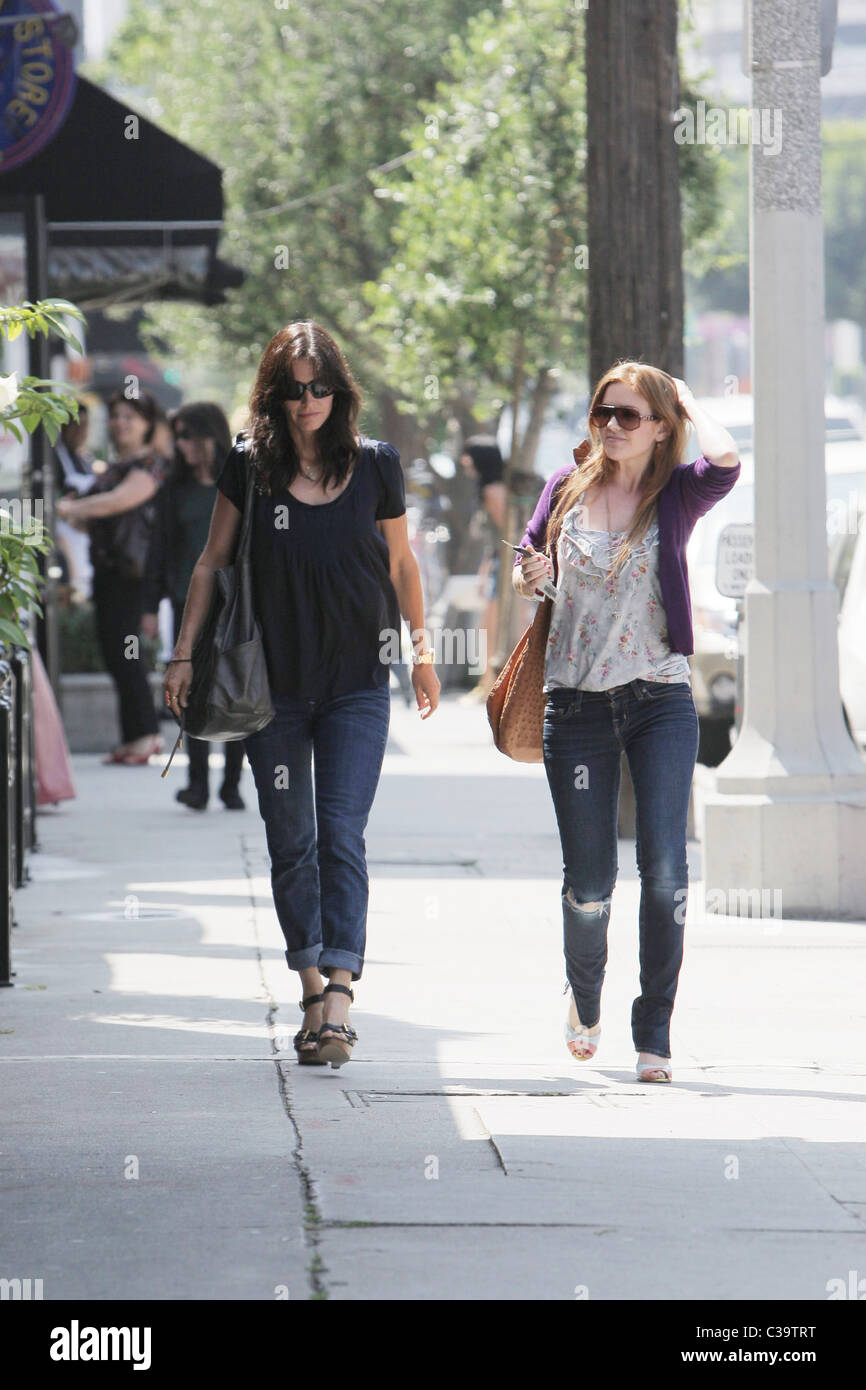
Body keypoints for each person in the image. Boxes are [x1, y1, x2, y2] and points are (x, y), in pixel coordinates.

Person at [162, 321, 440, 1068]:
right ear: (274, 394)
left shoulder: (376, 464)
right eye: (293, 387)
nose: (308, 399)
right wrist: (183, 652)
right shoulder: (250, 466)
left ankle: (341, 999)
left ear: (339, 391)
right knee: (294, 842)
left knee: (341, 833)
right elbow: (210, 563)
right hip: (272, 691)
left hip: (356, 683)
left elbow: (402, 563)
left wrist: (421, 649)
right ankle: (312, 989)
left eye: (321, 386)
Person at [513, 362, 740, 1083]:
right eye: (603, 413)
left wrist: (690, 396)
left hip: (659, 701)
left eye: (630, 416)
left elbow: (728, 459)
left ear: (662, 427)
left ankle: (655, 1031)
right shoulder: (565, 486)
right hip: (575, 704)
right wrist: (530, 574)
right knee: (589, 881)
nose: (612, 426)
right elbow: (529, 554)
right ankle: (585, 998)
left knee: (666, 869)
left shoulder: (676, 493)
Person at [141, 402, 246, 811]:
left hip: (234, 600)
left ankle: (232, 785)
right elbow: (158, 550)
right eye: (178, 436)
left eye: (187, 436)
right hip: (188, 604)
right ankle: (198, 783)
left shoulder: (236, 480)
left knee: (235, 690)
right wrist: (149, 606)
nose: (181, 445)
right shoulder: (174, 487)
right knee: (192, 692)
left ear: (208, 435)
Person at [56, 390, 167, 765]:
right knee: (116, 653)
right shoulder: (116, 464)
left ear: (147, 424)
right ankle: (134, 736)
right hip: (109, 573)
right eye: (116, 416)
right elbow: (99, 514)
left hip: (132, 576)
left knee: (127, 653)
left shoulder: (149, 464)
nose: (120, 424)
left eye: (129, 417)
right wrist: (80, 513)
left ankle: (146, 735)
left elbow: (118, 502)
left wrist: (71, 506)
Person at [458, 435, 507, 697]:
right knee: (488, 627)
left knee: (493, 627)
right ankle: (488, 682)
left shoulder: (493, 491)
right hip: (498, 562)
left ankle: (492, 685)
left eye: (469, 454)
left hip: (507, 564)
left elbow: (508, 534)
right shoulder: (489, 488)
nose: (465, 460)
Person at [53, 401, 97, 601]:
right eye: (75, 424)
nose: (81, 431)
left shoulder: (86, 460)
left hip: (86, 538)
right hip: (65, 539)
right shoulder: (52, 459)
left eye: (85, 425)